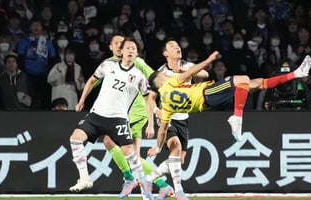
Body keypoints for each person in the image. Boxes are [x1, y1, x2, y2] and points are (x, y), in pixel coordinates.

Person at [147, 52, 311, 151]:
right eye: (163, 75)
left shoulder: (166, 106)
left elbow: (162, 131)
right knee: (243, 79)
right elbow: (191, 71)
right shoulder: (169, 83)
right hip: (208, 93)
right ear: (160, 82)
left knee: (257, 83)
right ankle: (237, 118)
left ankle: (296, 73)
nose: (166, 75)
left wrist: (158, 148)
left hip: (208, 104)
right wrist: (208, 60)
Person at [69, 37, 154, 200]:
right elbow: (92, 80)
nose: (130, 51)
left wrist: (151, 122)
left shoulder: (139, 76)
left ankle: (145, 190)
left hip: (118, 119)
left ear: (137, 54)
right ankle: (85, 178)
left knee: (130, 153)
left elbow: (148, 99)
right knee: (75, 138)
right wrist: (81, 101)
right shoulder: (107, 65)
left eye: (134, 49)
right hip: (97, 115)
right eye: (127, 48)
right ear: (121, 52)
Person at [100, 33, 174, 200]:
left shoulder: (137, 62)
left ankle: (130, 178)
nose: (120, 47)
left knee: (109, 141)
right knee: (134, 156)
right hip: (122, 112)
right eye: (117, 44)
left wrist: (151, 119)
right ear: (111, 47)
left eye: (123, 44)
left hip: (135, 112)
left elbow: (153, 80)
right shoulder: (111, 65)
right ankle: (161, 186)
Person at [146, 39, 209, 200]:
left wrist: (186, 72)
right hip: (168, 118)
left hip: (184, 118)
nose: (177, 47)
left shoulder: (186, 66)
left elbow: (205, 74)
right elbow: (151, 98)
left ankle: (150, 179)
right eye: (172, 46)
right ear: (165, 53)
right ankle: (179, 191)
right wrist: (155, 112)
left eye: (178, 45)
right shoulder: (161, 73)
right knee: (176, 146)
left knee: (178, 159)